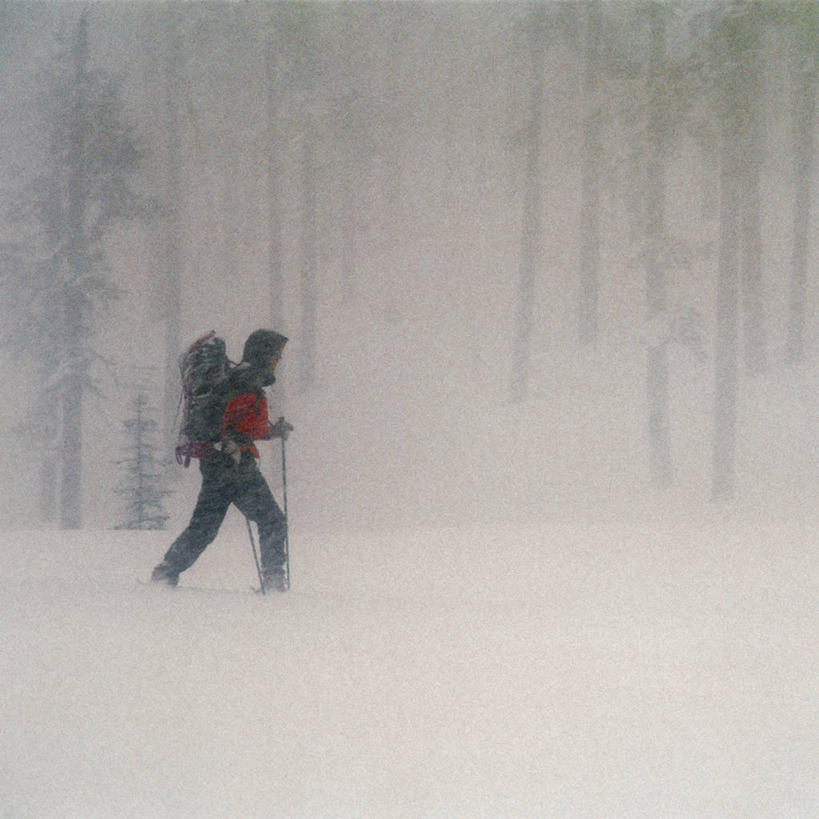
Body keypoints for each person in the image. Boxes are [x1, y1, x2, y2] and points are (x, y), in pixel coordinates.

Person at [152, 329, 293, 591]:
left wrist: (271, 432)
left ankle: (166, 571)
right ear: (263, 353)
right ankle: (274, 579)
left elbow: (240, 425)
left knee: (204, 528)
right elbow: (231, 424)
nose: (278, 360)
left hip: (217, 465)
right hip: (237, 467)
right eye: (276, 354)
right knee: (272, 520)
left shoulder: (237, 380)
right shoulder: (247, 381)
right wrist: (236, 443)